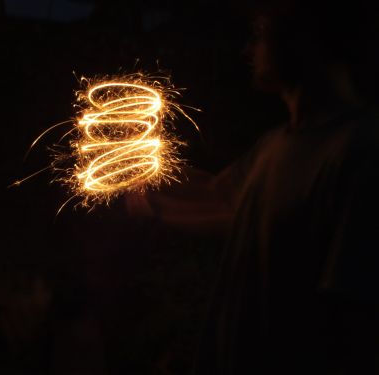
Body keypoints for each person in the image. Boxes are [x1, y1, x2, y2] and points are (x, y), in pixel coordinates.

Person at [127, 1, 379, 373]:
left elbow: (354, 312)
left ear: (303, 39)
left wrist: (154, 211)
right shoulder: (279, 143)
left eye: (261, 34)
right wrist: (143, 172)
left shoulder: (360, 152)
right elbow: (220, 193)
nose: (248, 49)